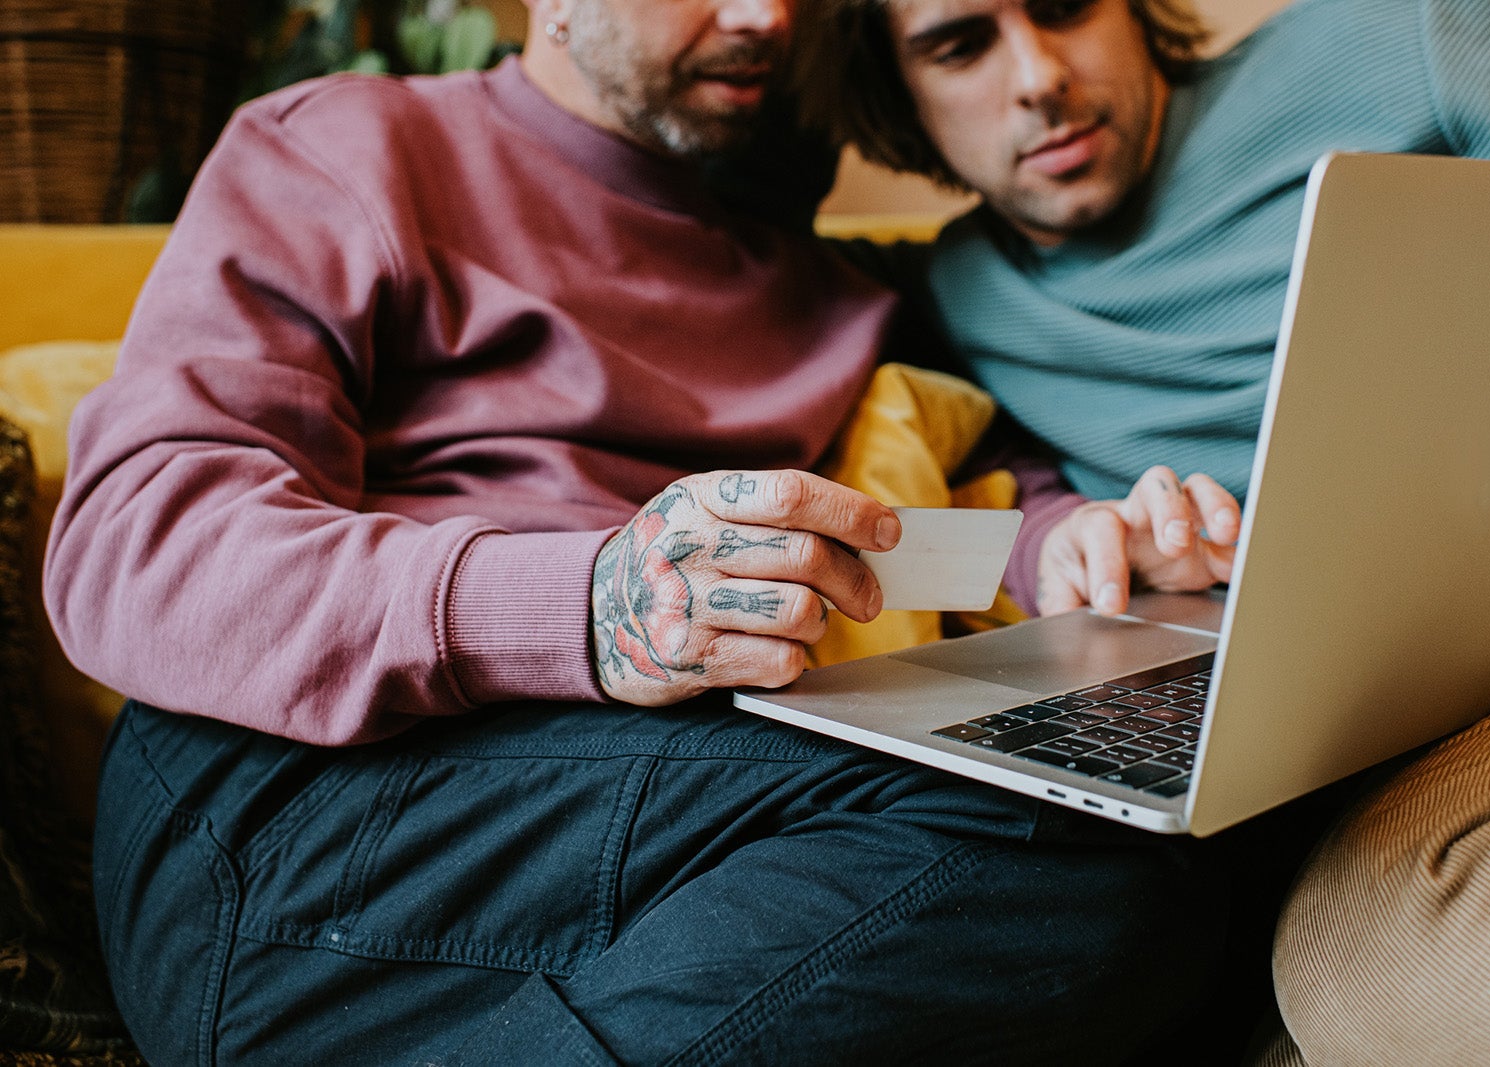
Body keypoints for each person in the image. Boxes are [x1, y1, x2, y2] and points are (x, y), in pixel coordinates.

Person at [42, 0, 1255, 1062]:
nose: (765, 16)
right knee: (1052, 842)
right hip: (306, 803)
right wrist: (587, 604)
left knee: (1169, 823)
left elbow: (986, 499)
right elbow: (138, 538)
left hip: (664, 797)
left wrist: (1081, 545)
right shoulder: (354, 148)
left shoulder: (839, 288)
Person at [811, 0, 1490, 1061]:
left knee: (1373, 964)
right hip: (1309, 698)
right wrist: (1076, 533)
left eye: (1062, 8)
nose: (1038, 75)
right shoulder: (954, 292)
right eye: (960, 46)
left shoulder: (1403, 40)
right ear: (897, 96)